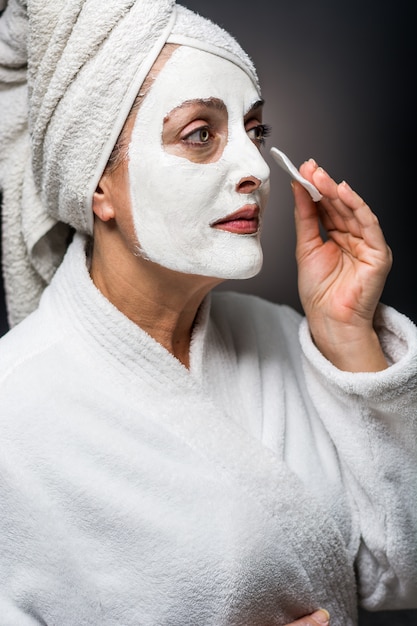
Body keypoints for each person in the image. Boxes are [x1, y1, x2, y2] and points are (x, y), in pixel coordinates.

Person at [0, 1, 416, 624]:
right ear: (98, 185)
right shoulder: (13, 414)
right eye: (200, 135)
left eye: (255, 132)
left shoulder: (286, 340)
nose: (253, 168)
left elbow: (398, 575)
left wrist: (349, 337)